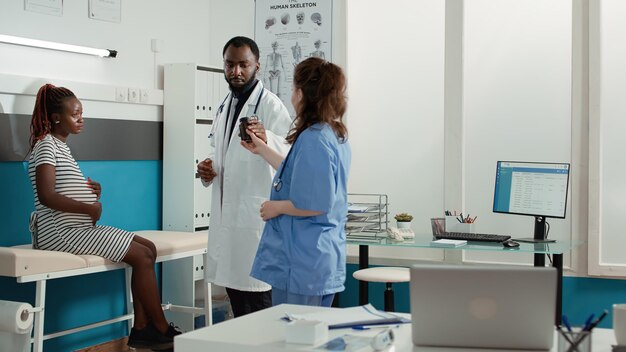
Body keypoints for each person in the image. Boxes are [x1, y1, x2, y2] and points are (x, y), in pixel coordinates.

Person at [27, 84, 180, 350]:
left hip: (78, 230)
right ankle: (160, 327)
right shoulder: (45, 146)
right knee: (142, 256)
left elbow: (63, 187)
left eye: (81, 113)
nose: (81, 119)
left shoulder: (61, 147)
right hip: (60, 234)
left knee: (148, 249)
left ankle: (143, 328)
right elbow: (46, 196)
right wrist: (89, 208)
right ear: (55, 117)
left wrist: (90, 191)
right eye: (75, 114)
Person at [241, 57, 351, 307]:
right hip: (320, 255)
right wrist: (262, 149)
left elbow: (316, 203)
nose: (292, 96)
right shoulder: (332, 134)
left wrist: (275, 207)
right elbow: (302, 176)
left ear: (302, 94)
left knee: (294, 336)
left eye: (293, 89)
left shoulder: (314, 140)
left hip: (304, 260)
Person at [196, 36, 292, 317]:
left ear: (257, 66)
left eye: (243, 65)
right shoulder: (225, 104)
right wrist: (208, 168)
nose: (236, 71)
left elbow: (288, 155)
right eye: (230, 64)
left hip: (255, 215)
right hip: (229, 214)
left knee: (259, 297)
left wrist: (266, 139)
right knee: (236, 293)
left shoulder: (272, 107)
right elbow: (222, 153)